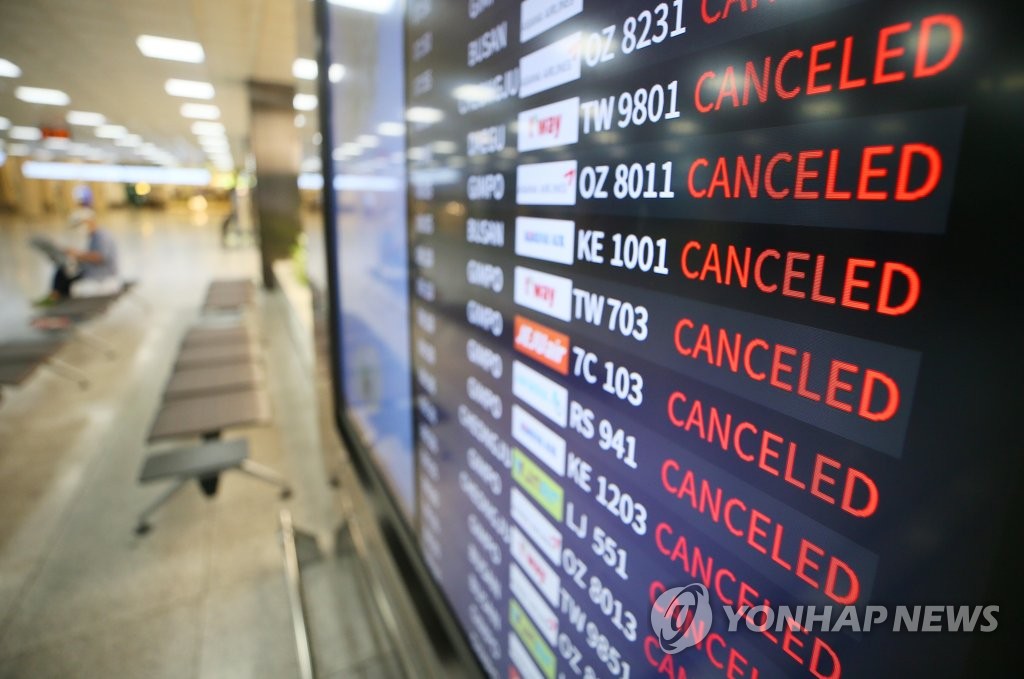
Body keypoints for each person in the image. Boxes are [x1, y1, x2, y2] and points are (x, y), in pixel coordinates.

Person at [35, 208, 119, 304]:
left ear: (89, 221)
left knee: (64, 274)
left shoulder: (101, 236)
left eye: (79, 225)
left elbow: (99, 257)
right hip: (94, 270)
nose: (79, 228)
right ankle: (58, 298)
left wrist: (77, 254)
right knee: (64, 271)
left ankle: (58, 299)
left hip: (102, 274)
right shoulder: (94, 236)